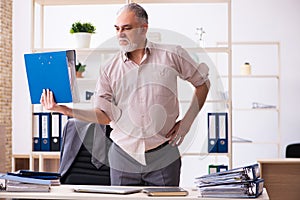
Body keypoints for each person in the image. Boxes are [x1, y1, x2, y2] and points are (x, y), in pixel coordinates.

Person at [40, 3, 210, 186]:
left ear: (144, 29)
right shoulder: (109, 69)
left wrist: (186, 123)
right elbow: (104, 116)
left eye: (127, 28)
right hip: (123, 157)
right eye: (117, 28)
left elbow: (203, 84)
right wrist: (64, 109)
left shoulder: (172, 54)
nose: (120, 33)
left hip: (163, 154)